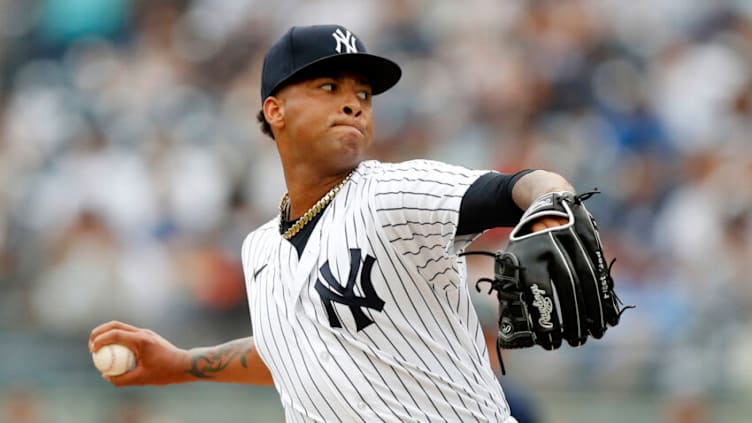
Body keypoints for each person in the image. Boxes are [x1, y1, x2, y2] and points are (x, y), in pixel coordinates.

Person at [89, 24, 576, 422]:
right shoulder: (259, 249)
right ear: (274, 110)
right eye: (330, 87)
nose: (354, 103)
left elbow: (520, 186)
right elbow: (295, 351)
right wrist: (181, 364)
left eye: (363, 93)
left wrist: (553, 207)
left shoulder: (391, 194)